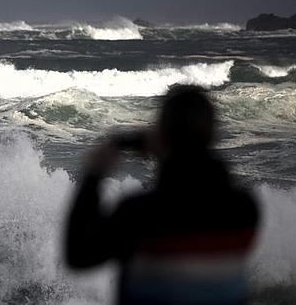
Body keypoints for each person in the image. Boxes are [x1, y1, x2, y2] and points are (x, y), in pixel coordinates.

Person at [65, 85, 259, 305]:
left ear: (161, 134)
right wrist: (167, 151)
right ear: (213, 133)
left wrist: (93, 176)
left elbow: (78, 255)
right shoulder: (244, 210)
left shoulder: (140, 214)